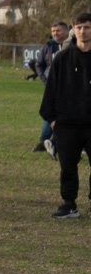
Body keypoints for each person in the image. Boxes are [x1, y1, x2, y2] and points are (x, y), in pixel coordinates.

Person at [40, 13, 91, 219]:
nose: (82, 31)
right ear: (73, 29)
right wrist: (51, 118)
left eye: (87, 27)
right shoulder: (63, 57)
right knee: (67, 166)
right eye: (78, 27)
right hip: (67, 124)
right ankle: (69, 204)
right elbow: (51, 90)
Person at [34, 20, 68, 151]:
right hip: (53, 86)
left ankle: (55, 141)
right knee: (50, 111)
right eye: (53, 31)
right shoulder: (48, 46)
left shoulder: (72, 46)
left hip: (69, 86)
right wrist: (45, 80)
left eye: (58, 30)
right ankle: (44, 142)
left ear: (66, 31)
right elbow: (39, 64)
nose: (55, 33)